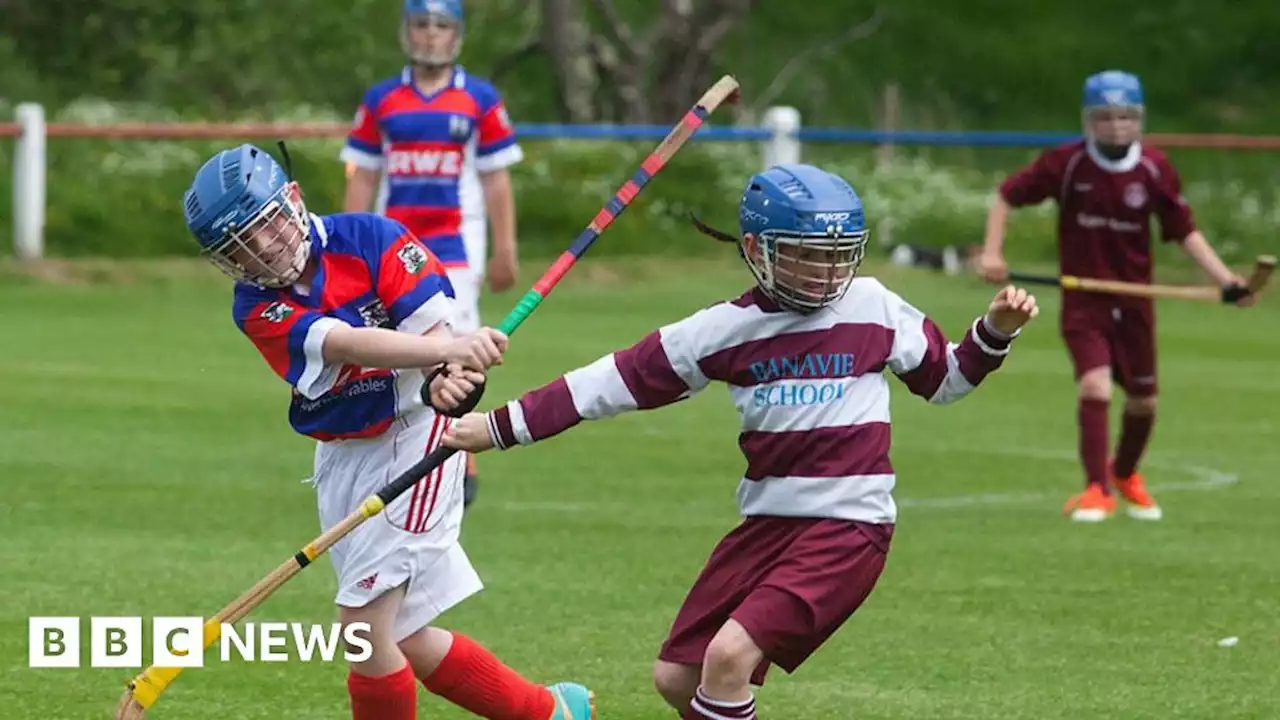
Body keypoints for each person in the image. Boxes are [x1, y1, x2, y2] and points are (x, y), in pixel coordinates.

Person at [440, 164, 1039, 719]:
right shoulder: (721, 330)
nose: (827, 273)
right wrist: (496, 428)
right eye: (806, 256)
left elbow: (946, 382)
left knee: (728, 661)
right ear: (757, 250)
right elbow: (609, 382)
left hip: (847, 527)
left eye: (838, 257)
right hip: (766, 528)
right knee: (679, 677)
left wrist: (993, 333)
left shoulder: (875, 307)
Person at [182, 143, 593, 720]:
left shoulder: (373, 238)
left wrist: (448, 380)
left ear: (293, 202)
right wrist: (446, 352)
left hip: (418, 437)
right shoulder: (254, 306)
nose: (262, 250)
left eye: (265, 227)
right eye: (240, 248)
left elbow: (443, 353)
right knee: (402, 636)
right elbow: (343, 342)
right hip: (341, 458)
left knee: (363, 631)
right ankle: (551, 713)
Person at [977, 69, 1255, 523]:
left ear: (1139, 119)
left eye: (1126, 116)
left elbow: (1183, 232)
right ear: (1090, 120)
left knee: (1144, 402)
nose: (1116, 125)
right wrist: (992, 253)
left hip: (1135, 302)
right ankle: (1095, 489)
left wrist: (1227, 280)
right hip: (1084, 301)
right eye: (1106, 116)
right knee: (1095, 385)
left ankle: (1124, 474)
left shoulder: (1153, 170)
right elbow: (1007, 196)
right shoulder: (1065, 165)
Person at [341, 0, 523, 509]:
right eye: (421, 25)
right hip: (391, 255)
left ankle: (461, 459)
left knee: (455, 352)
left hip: (454, 254)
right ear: (407, 32)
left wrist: (505, 248)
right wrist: (345, 247)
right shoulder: (382, 100)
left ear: (457, 36)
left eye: (441, 26)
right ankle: (403, 452)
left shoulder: (479, 101)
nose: (430, 35)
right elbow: (363, 176)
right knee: (397, 352)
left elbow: (496, 180)